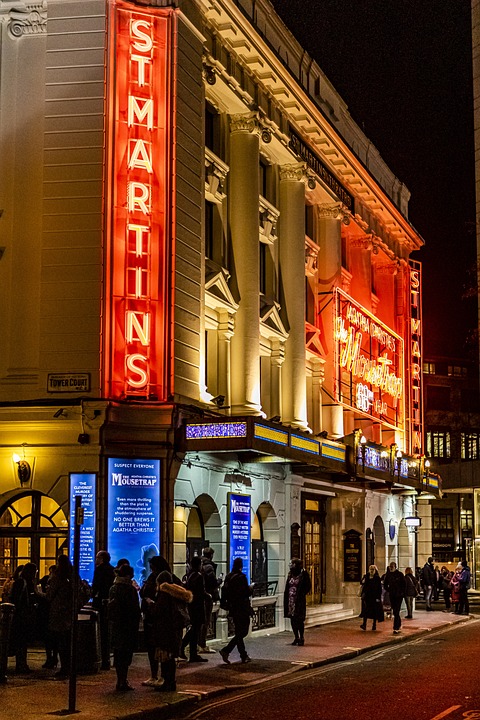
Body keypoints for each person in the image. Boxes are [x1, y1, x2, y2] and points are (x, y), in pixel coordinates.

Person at [151, 570, 193, 692]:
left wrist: (151, 605)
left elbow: (158, 613)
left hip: (165, 630)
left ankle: (167, 683)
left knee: (166, 658)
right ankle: (171, 682)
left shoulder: (164, 594)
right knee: (170, 658)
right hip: (175, 631)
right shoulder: (177, 593)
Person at [140, 555, 174, 685]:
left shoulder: (159, 578)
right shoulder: (164, 577)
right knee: (158, 649)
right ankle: (161, 677)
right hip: (155, 620)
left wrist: (150, 602)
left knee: (158, 649)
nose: (150, 568)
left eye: (152, 566)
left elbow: (145, 593)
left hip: (156, 621)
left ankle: (161, 677)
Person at [108, 563, 140, 691]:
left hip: (116, 625)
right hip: (128, 626)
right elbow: (134, 610)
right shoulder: (129, 589)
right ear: (127, 575)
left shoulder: (113, 588)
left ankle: (119, 680)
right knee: (126, 655)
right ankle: (123, 680)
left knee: (118, 654)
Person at [219, 557, 253, 664]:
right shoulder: (241, 577)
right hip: (242, 608)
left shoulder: (229, 577)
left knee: (239, 632)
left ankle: (242, 655)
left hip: (233, 608)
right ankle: (228, 651)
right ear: (241, 566)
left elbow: (225, 592)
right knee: (242, 632)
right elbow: (245, 593)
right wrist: (251, 588)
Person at [46, 555, 74, 679]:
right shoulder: (73, 575)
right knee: (68, 641)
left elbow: (49, 596)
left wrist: (39, 593)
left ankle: (64, 668)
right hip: (69, 612)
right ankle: (69, 666)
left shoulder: (57, 577)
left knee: (61, 641)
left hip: (58, 612)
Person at [9, 562, 38, 673]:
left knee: (21, 641)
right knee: (21, 641)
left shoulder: (21, 582)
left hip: (20, 615)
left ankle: (21, 664)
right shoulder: (23, 583)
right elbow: (19, 600)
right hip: (21, 616)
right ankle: (21, 665)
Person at [180, 555, 208, 663]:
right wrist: (207, 596)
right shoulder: (198, 576)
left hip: (192, 605)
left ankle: (191, 653)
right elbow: (201, 592)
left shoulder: (190, 575)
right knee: (195, 630)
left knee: (194, 630)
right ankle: (185, 648)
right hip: (198, 606)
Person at [91, 550, 116, 670]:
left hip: (100, 603)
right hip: (109, 603)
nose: (95, 559)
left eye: (97, 557)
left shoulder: (99, 570)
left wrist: (91, 594)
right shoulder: (112, 570)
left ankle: (102, 659)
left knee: (101, 631)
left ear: (101, 559)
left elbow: (96, 586)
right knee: (107, 632)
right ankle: (107, 660)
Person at [199, 547, 222, 654]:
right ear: (211, 555)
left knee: (198, 622)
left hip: (198, 597)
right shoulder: (209, 567)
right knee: (205, 621)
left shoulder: (199, 565)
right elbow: (213, 583)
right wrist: (220, 580)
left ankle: (197, 644)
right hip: (207, 597)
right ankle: (202, 644)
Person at [283, 558, 311, 645]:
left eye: (292, 564)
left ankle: (301, 637)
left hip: (299, 600)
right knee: (292, 619)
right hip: (291, 600)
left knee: (299, 619)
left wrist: (302, 594)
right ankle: (296, 637)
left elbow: (308, 586)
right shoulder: (290, 574)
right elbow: (287, 586)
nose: (291, 566)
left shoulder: (303, 574)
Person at [38, 564, 58, 669]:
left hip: (49, 613)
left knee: (50, 638)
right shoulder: (51, 581)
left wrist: (39, 593)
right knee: (53, 638)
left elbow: (48, 597)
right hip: (54, 613)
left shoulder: (53, 582)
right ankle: (53, 658)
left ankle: (51, 658)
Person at [383, 561, 406, 635]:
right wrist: (389, 590)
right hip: (392, 595)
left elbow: (404, 584)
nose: (391, 568)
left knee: (396, 611)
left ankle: (395, 627)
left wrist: (402, 592)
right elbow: (385, 584)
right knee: (395, 611)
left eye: (392, 566)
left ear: (395, 567)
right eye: (390, 566)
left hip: (399, 596)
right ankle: (398, 625)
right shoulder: (388, 575)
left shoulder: (400, 574)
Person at [359, 564, 383, 631]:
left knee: (374, 611)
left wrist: (378, 597)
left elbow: (379, 589)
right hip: (367, 597)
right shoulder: (366, 576)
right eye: (370, 569)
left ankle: (374, 625)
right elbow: (361, 582)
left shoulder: (377, 578)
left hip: (374, 597)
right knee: (366, 610)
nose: (371, 571)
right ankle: (364, 624)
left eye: (373, 569)